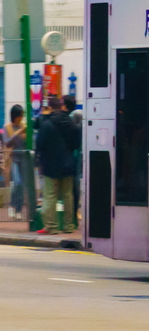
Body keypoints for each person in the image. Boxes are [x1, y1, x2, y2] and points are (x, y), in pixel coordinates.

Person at [35, 96, 80, 234]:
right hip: (68, 164)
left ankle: (51, 227)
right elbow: (76, 144)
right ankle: (69, 225)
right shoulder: (71, 124)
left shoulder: (47, 124)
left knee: (50, 196)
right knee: (68, 196)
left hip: (50, 166)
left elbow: (40, 144)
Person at [3, 105, 27, 216]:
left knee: (22, 185)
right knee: (17, 183)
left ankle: (18, 208)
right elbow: (7, 142)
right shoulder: (7, 127)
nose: (21, 118)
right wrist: (18, 133)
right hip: (13, 158)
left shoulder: (23, 126)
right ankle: (13, 206)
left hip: (23, 158)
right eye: (19, 116)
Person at [63, 95, 83, 227]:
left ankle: (73, 218)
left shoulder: (72, 127)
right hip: (77, 163)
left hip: (73, 164)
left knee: (73, 191)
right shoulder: (81, 129)